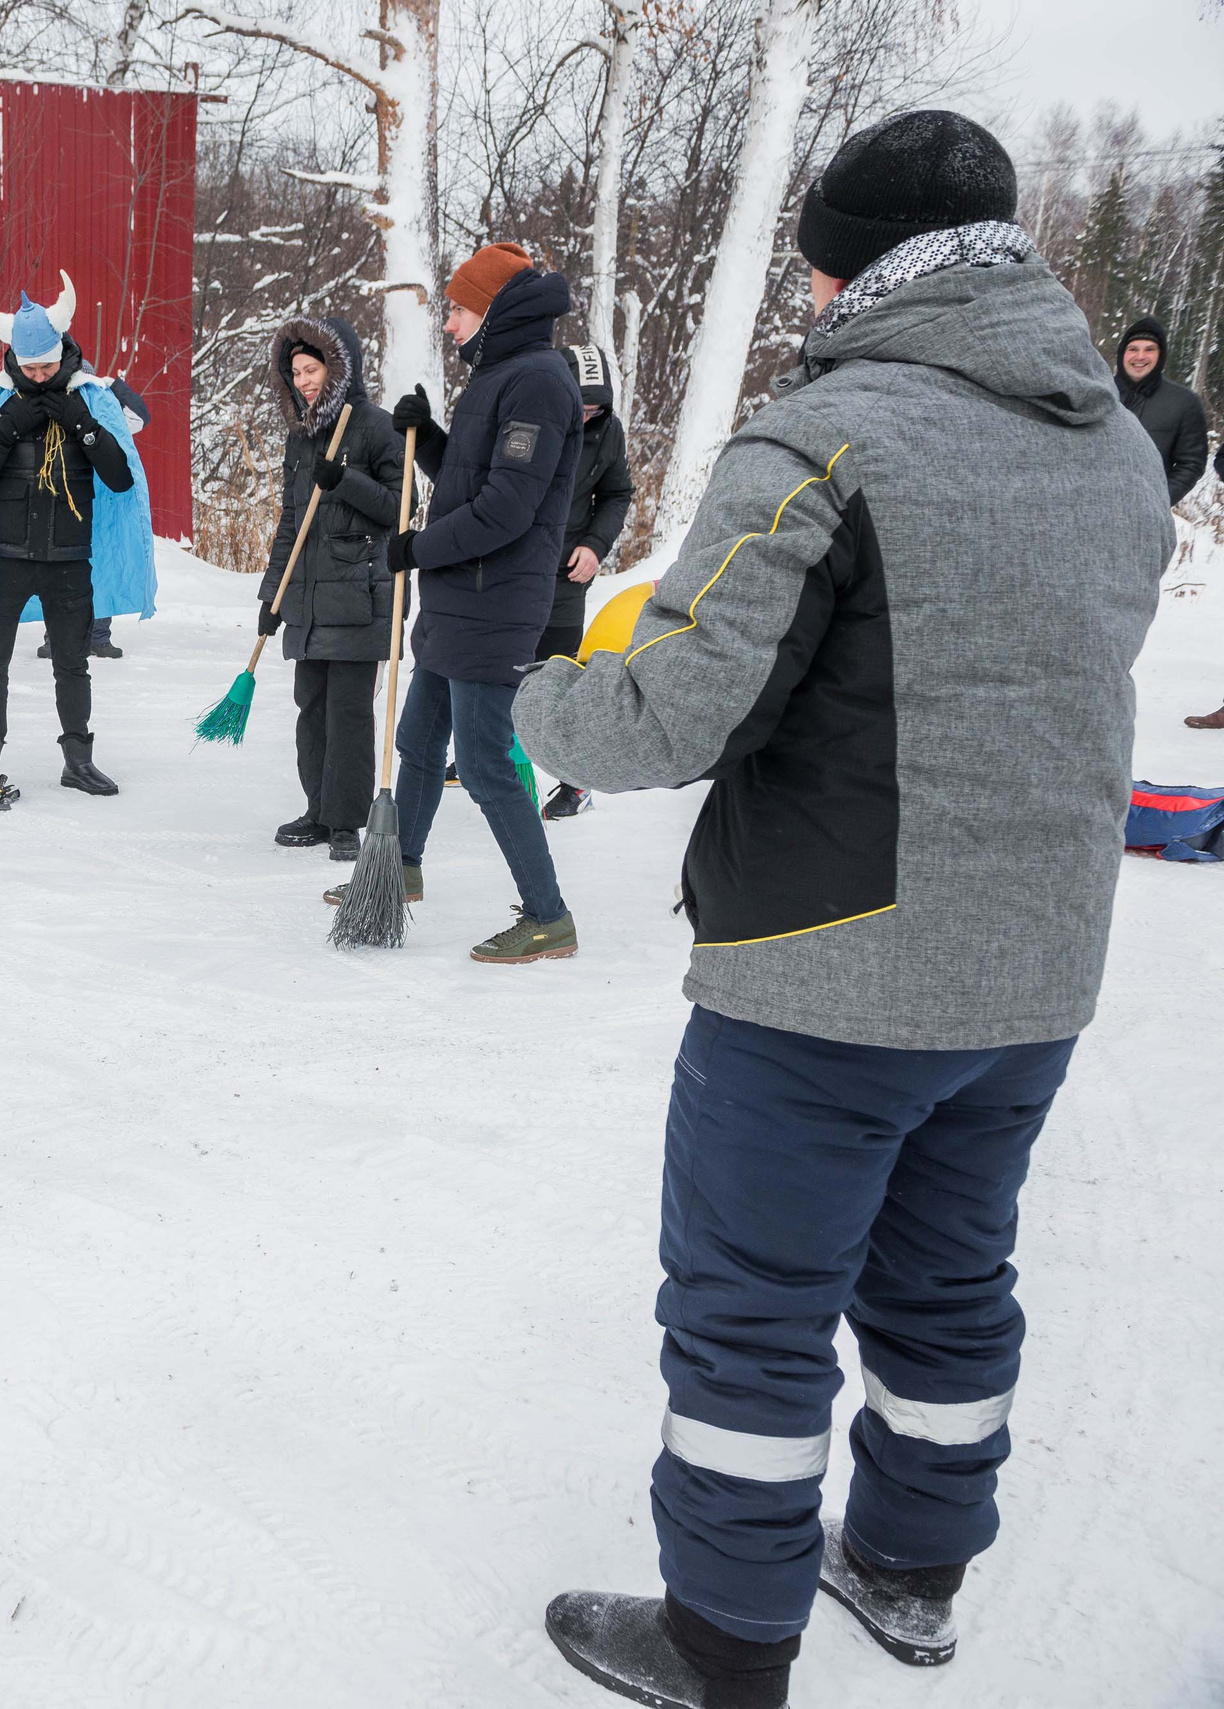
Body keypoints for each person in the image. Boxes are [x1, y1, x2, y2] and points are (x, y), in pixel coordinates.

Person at [513, 111, 1172, 1709]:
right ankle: (909, 1570)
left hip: (826, 982)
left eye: (815, 264)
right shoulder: (1120, 446)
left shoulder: (824, 438)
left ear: (849, 267)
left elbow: (670, 712)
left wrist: (541, 695)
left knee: (752, 1313)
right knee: (950, 1282)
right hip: (1033, 975)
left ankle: (723, 1646)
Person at [379, 242, 582, 963]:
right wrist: (428, 437)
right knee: (417, 740)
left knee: (487, 760)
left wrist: (416, 548)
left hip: (494, 600)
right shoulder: (498, 376)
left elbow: (505, 511)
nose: (450, 325)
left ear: (494, 309)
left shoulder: (539, 383)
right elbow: (470, 484)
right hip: (459, 598)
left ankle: (549, 916)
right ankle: (397, 869)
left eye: (459, 310)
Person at [0, 271, 155, 798]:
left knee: (73, 664)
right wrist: (8, 424)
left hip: (70, 559)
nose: (39, 377)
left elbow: (121, 477)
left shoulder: (94, 398)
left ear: (64, 352)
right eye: (30, 367)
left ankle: (78, 762)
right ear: (13, 359)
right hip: (4, 558)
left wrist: (82, 423)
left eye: (48, 365)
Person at [256, 314, 406, 865]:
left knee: (348, 713)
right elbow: (290, 524)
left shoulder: (376, 427)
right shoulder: (302, 438)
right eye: (295, 371)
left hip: (360, 597)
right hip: (310, 602)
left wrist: (345, 481)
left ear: (337, 367)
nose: (303, 380)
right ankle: (318, 811)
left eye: (312, 368)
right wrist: (272, 598)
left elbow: (401, 509)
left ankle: (346, 821)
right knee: (310, 708)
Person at [537, 343, 636, 822]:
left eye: (594, 408)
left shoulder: (607, 431)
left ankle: (576, 784)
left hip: (567, 571)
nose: (585, 416)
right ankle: (487, 754)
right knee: (497, 668)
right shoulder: (529, 415)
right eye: (578, 405)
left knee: (559, 674)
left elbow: (618, 493)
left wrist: (596, 545)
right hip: (513, 569)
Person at [39, 375, 153, 662]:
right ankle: (55, 637)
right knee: (59, 564)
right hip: (63, 494)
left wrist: (114, 384)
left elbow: (140, 416)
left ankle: (98, 636)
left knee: (102, 566)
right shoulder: (57, 402)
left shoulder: (108, 406)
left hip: (105, 502)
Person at [1112, 316, 1209, 507]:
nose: (1140, 357)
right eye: (1133, 349)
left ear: (1161, 355)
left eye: (1149, 349)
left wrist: (1158, 501)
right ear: (1123, 353)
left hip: (1144, 517)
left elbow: (1191, 463)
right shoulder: (1099, 394)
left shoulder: (1185, 402)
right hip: (1090, 512)